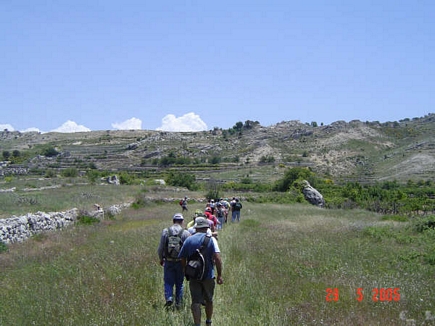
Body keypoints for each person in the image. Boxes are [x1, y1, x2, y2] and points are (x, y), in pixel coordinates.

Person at [179, 217, 223, 326]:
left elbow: (182, 257)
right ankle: (208, 322)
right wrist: (219, 275)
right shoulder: (211, 240)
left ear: (196, 228)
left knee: (195, 302)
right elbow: (217, 258)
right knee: (209, 300)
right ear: (207, 228)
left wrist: (185, 270)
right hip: (208, 275)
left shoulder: (189, 239)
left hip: (194, 275)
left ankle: (197, 324)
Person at [157, 213, 191, 309]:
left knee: (168, 282)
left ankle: (169, 298)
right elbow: (188, 249)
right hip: (181, 262)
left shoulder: (165, 231)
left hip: (168, 261)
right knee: (179, 283)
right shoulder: (185, 233)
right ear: (182, 221)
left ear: (173, 221)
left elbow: (160, 248)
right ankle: (178, 304)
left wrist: (161, 259)